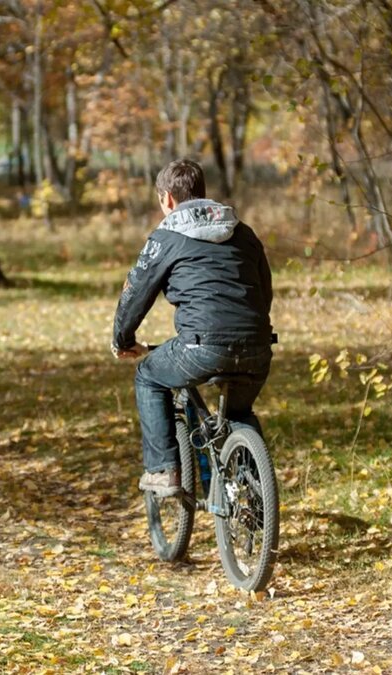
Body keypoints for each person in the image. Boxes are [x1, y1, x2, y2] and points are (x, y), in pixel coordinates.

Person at [111, 159, 274, 496]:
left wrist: (122, 339)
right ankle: (257, 509)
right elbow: (264, 289)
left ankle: (164, 469)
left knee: (148, 376)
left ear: (167, 199)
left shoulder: (167, 236)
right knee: (239, 412)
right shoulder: (243, 231)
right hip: (257, 346)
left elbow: (135, 293)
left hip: (202, 347)